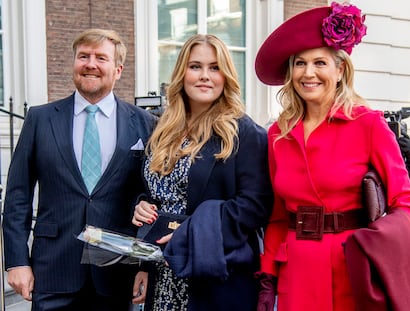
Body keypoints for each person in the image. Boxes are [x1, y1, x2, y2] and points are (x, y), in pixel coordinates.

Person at [254, 2, 410, 311]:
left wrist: (375, 246)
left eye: (320, 63)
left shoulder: (369, 124)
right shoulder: (278, 134)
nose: (308, 73)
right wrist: (267, 278)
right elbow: (276, 217)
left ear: (340, 70)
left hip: (353, 272)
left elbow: (405, 202)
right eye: (299, 63)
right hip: (295, 276)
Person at [2, 28, 156, 311]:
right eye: (83, 56)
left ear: (118, 69)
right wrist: (17, 261)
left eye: (101, 57)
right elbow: (17, 195)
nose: (90, 64)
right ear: (73, 63)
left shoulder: (145, 123)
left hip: (118, 272)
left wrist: (146, 266)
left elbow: (151, 198)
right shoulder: (40, 118)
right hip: (52, 270)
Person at [131, 33, 273, 311]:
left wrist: (194, 231)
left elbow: (255, 205)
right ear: (182, 73)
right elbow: (157, 193)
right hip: (163, 273)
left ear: (226, 76)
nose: (205, 76)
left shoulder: (244, 133)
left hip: (215, 276)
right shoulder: (162, 131)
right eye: (195, 66)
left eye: (214, 67)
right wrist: (141, 206)